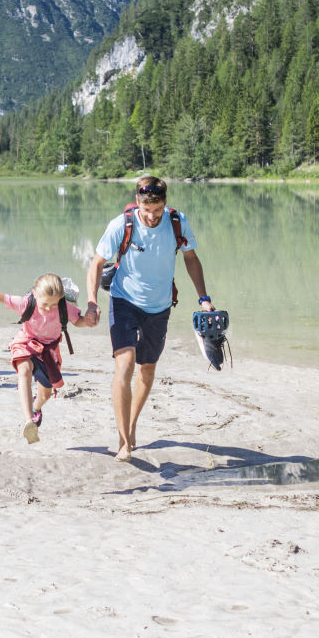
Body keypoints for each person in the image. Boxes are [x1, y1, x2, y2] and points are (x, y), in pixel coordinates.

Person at [83, 175, 211, 461]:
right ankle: (124, 440)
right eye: (146, 210)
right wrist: (92, 302)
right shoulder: (122, 224)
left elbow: (191, 259)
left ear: (164, 203)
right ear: (138, 202)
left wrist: (204, 298)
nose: (151, 216)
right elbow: (96, 263)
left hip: (160, 306)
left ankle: (132, 424)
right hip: (124, 301)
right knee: (125, 365)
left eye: (157, 210)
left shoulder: (177, 222)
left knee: (147, 368)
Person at [0, 267, 99, 443]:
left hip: (48, 352)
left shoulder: (64, 307)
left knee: (46, 394)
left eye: (54, 304)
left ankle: (36, 408)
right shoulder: (26, 303)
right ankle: (28, 422)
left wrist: (87, 322)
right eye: (45, 304)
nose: (49, 308)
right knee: (24, 370)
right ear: (35, 294)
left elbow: (78, 321)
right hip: (26, 343)